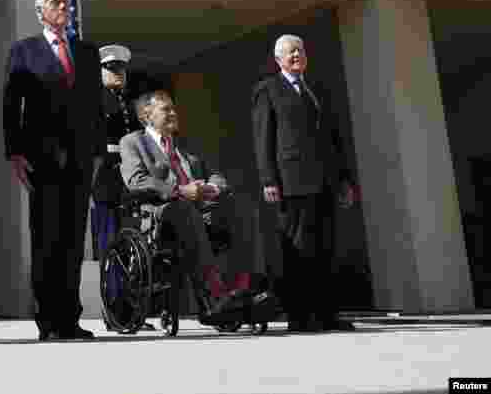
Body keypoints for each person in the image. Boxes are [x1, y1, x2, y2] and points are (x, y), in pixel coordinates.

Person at [3, 0, 101, 341]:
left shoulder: (87, 52)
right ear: (40, 11)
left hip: (79, 158)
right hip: (42, 158)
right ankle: (48, 321)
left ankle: (69, 318)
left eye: (66, 3)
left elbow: (95, 106)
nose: (63, 8)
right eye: (55, 3)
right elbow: (11, 105)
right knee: (47, 239)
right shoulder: (24, 51)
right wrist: (13, 152)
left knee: (73, 240)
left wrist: (98, 155)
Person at [119, 91, 268, 322]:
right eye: (166, 109)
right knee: (184, 209)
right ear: (146, 115)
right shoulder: (133, 142)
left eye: (173, 108)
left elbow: (216, 176)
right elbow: (136, 181)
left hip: (200, 210)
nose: (173, 113)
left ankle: (244, 288)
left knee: (242, 207)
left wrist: (213, 188)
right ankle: (213, 296)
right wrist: (180, 190)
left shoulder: (185, 144)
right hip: (162, 215)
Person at [251, 34, 358, 332]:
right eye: (290, 51)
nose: (297, 54)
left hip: (324, 182)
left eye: (300, 49)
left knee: (325, 249)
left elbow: (335, 139)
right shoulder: (268, 89)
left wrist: (344, 179)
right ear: (278, 59)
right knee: (297, 251)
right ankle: (299, 316)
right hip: (290, 183)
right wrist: (268, 179)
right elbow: (263, 138)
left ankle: (326, 314)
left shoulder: (317, 89)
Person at [91, 45, 141, 262]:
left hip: (127, 170)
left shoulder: (127, 102)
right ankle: (113, 286)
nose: (119, 74)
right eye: (112, 69)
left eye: (121, 69)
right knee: (108, 233)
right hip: (106, 171)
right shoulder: (94, 99)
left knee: (129, 229)